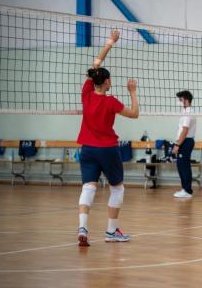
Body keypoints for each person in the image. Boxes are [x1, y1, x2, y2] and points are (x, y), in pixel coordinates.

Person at [76, 30, 139, 246]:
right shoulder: (111, 102)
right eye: (109, 79)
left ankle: (82, 227)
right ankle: (111, 232)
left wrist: (109, 43)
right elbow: (134, 114)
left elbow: (96, 63)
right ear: (106, 83)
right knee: (117, 188)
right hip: (108, 150)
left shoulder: (86, 92)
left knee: (89, 187)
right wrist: (132, 91)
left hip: (87, 150)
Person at [172, 90, 196, 199]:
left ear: (186, 100)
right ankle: (185, 189)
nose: (179, 102)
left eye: (180, 99)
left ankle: (187, 190)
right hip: (184, 141)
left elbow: (185, 131)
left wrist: (177, 145)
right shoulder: (185, 112)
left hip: (185, 142)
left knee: (184, 167)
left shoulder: (188, 113)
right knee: (181, 166)